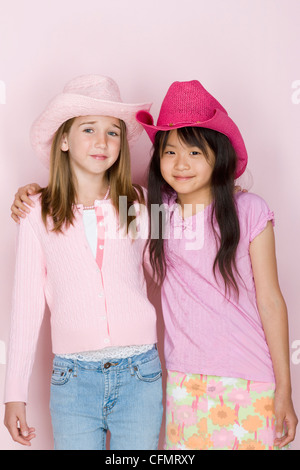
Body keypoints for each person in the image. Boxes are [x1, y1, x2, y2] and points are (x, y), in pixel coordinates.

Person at [135, 79, 298, 450]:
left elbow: (271, 300)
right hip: (185, 381)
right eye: (170, 152)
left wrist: (285, 389)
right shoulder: (156, 215)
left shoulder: (249, 210)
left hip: (251, 381)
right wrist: (36, 193)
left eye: (195, 152)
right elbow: (94, 196)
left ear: (218, 155)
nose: (181, 164)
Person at [4, 74, 163, 450]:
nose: (102, 142)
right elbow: (26, 308)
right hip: (72, 381)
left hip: (140, 373)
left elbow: (169, 274)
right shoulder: (36, 212)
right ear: (63, 139)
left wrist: (218, 192)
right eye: (88, 129)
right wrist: (14, 393)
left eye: (113, 133)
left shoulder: (139, 203)